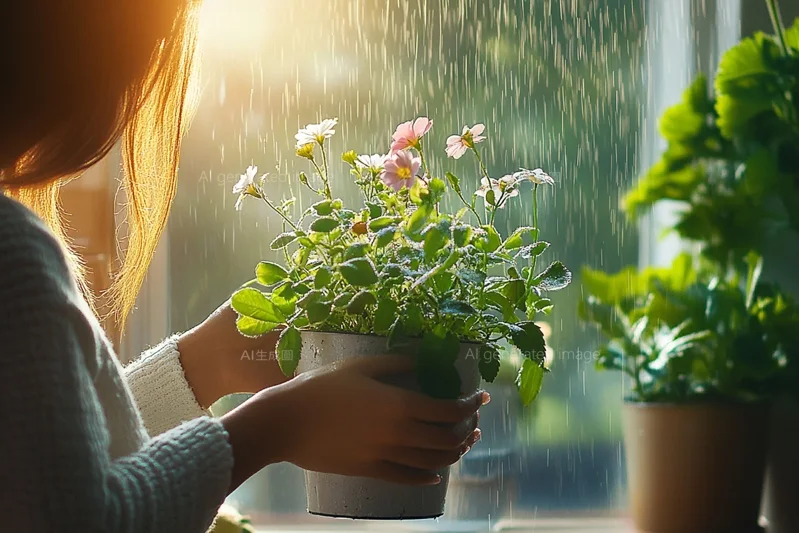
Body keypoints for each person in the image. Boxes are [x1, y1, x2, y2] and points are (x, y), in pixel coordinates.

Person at [0, 1, 486, 531]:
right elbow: (78, 519)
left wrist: (200, 366)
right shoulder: (14, 252)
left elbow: (45, 468)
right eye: (147, 56)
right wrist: (275, 426)